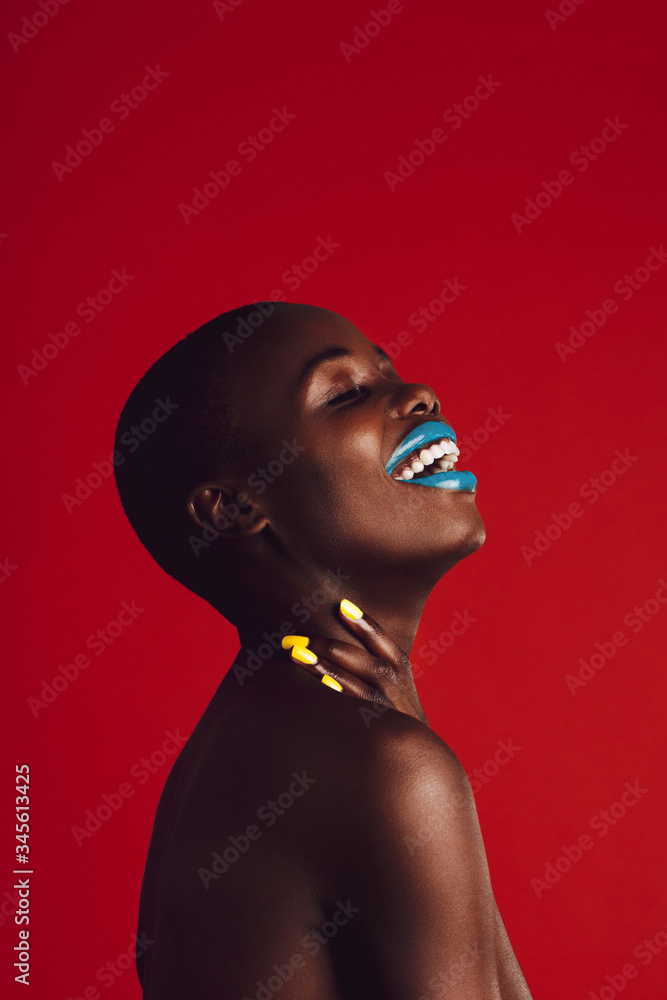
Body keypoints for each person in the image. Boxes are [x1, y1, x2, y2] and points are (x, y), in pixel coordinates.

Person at [114, 301, 533, 999]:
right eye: (345, 394)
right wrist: (412, 745)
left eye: (388, 372)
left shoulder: (247, 742)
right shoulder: (383, 764)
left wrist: (410, 719)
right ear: (236, 509)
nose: (418, 395)